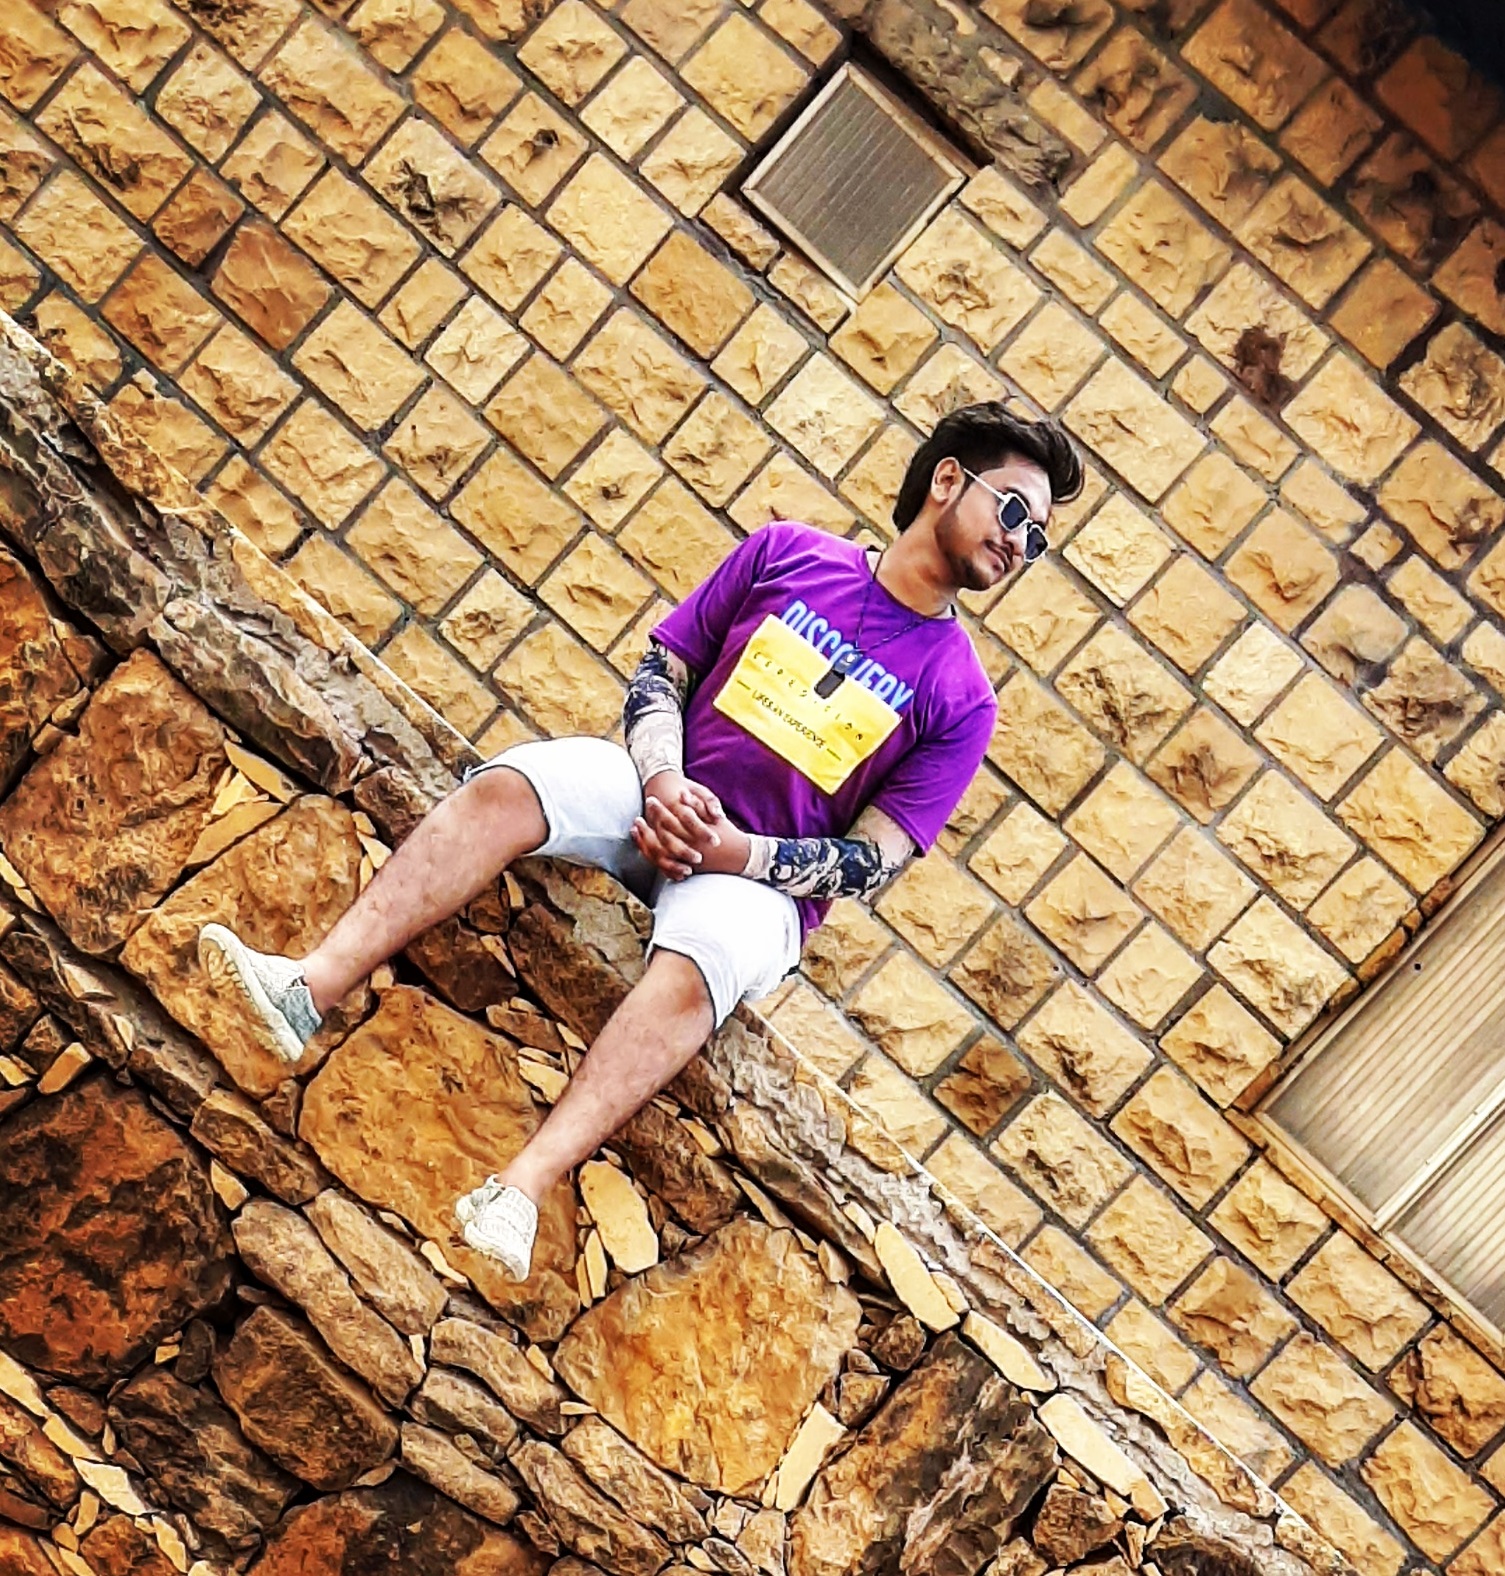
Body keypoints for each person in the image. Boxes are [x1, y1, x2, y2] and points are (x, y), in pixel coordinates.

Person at [199, 402, 1082, 1279]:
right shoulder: (787, 553)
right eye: (1014, 511)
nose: (1019, 542)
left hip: (756, 884)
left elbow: (869, 863)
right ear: (946, 480)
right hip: (657, 788)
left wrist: (736, 852)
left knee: (705, 961)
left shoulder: (962, 697)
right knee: (512, 784)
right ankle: (306, 989)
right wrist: (663, 780)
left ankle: (519, 1189)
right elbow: (664, 670)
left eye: (1037, 538)